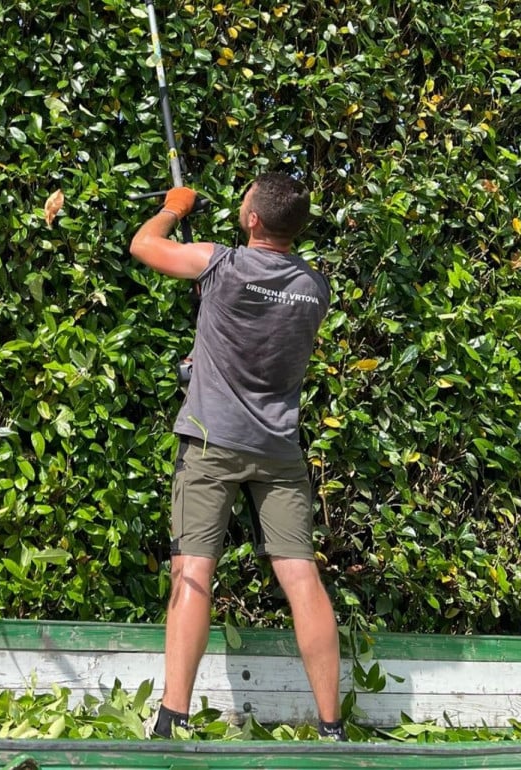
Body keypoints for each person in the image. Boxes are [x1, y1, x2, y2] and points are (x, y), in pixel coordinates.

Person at [129, 173, 346, 741]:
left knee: (193, 571)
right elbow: (260, 341)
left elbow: (144, 246)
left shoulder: (220, 265)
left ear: (252, 219)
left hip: (212, 443)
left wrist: (174, 207)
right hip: (278, 449)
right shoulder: (315, 288)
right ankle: (332, 727)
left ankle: (171, 719)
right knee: (301, 577)